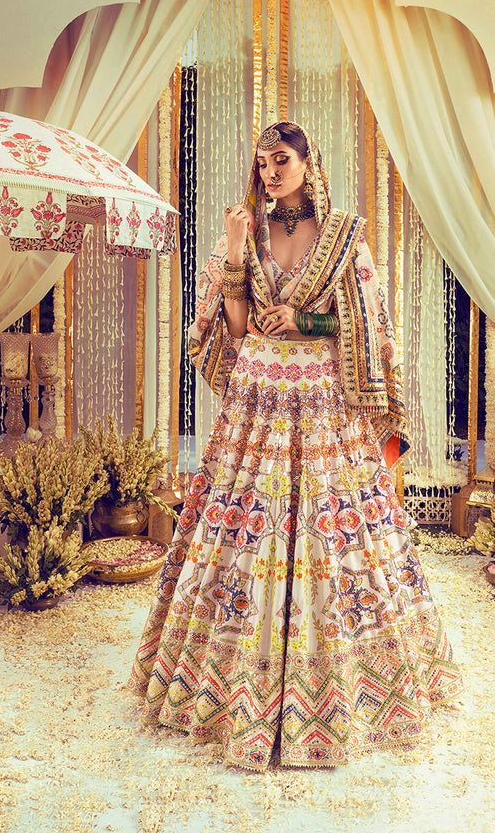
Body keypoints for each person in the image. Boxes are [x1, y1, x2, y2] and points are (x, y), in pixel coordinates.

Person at [128, 121, 463, 771]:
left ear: (309, 163)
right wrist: (232, 251)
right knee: (244, 532)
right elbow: (234, 329)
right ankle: (225, 690)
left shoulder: (344, 237)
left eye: (281, 160)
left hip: (322, 404)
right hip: (257, 405)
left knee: (327, 531)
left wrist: (304, 319)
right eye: (262, 163)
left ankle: (348, 688)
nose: (270, 173)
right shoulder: (245, 232)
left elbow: (367, 323)